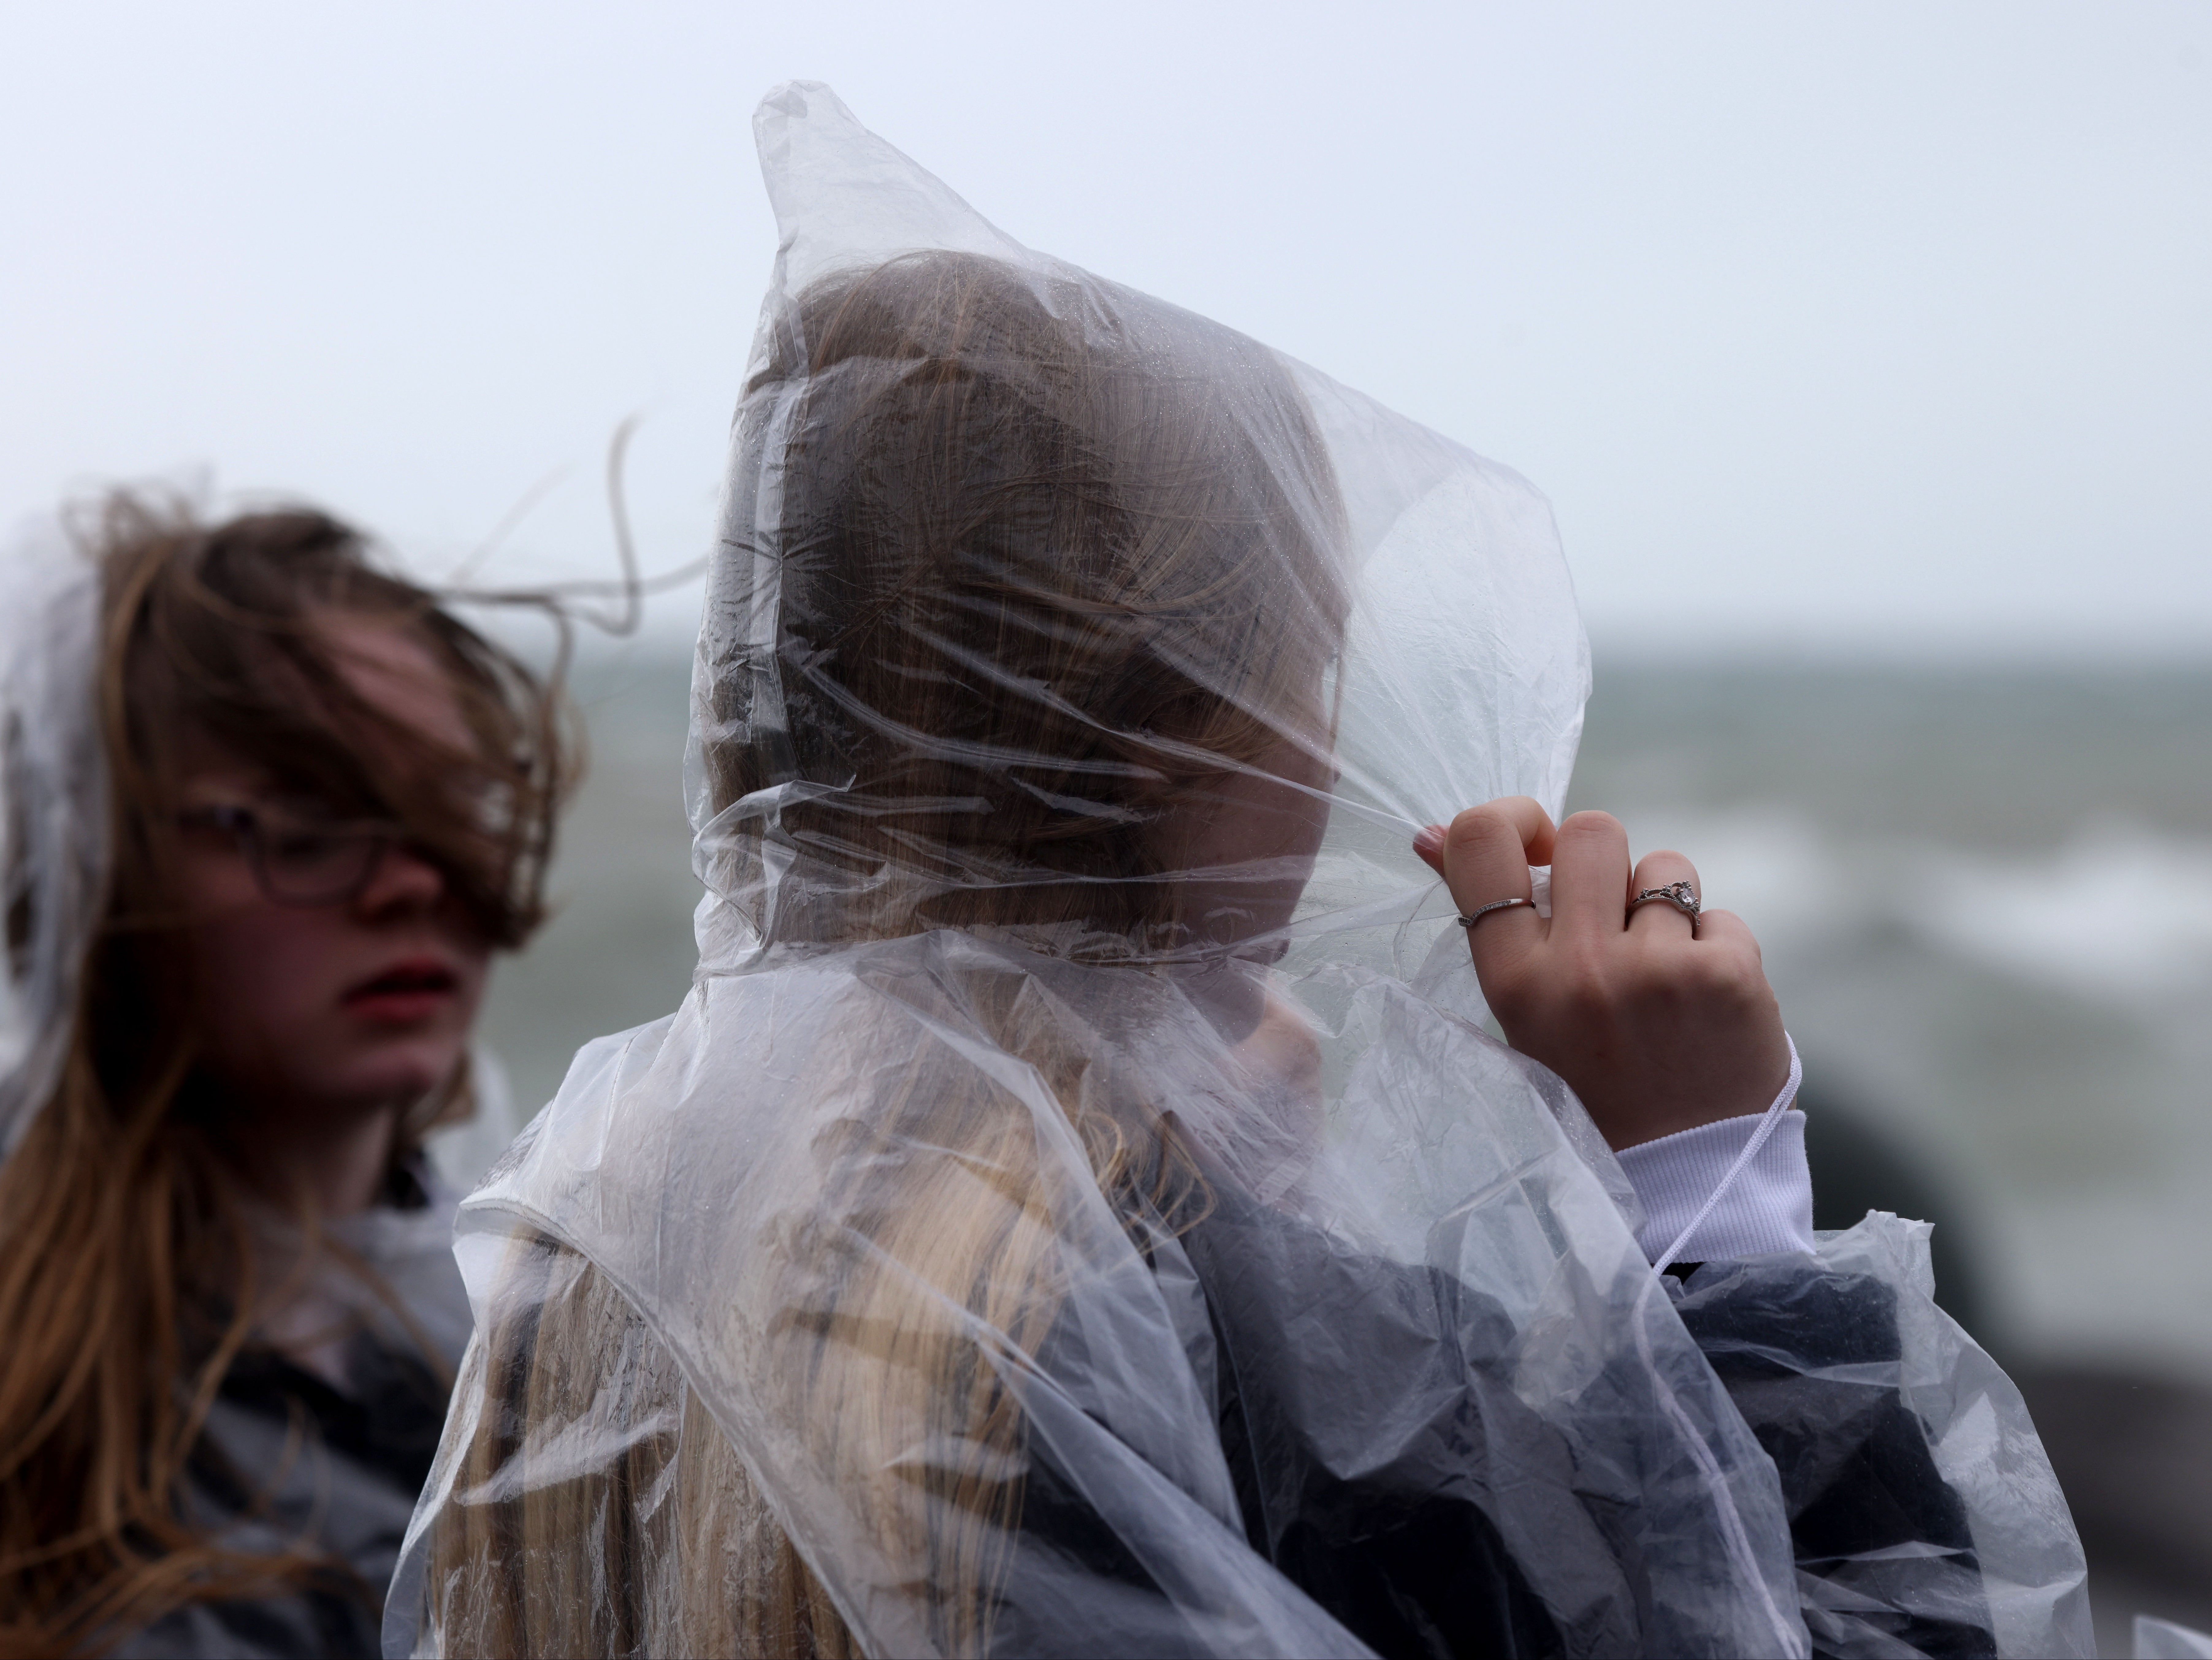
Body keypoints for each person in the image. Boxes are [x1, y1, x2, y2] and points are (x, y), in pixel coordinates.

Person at [392, 85, 2090, 1660]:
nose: (1339, 750)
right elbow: (1884, 1629)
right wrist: (1712, 1200)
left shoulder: (590, 1242)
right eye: (1314, 672)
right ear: (1176, 737)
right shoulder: (1245, 1348)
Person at [0, 494, 571, 1657]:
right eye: (307, 824)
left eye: (449, 806)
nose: (414, 881)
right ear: (92, 870)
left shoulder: (554, 1340)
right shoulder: (33, 1416)